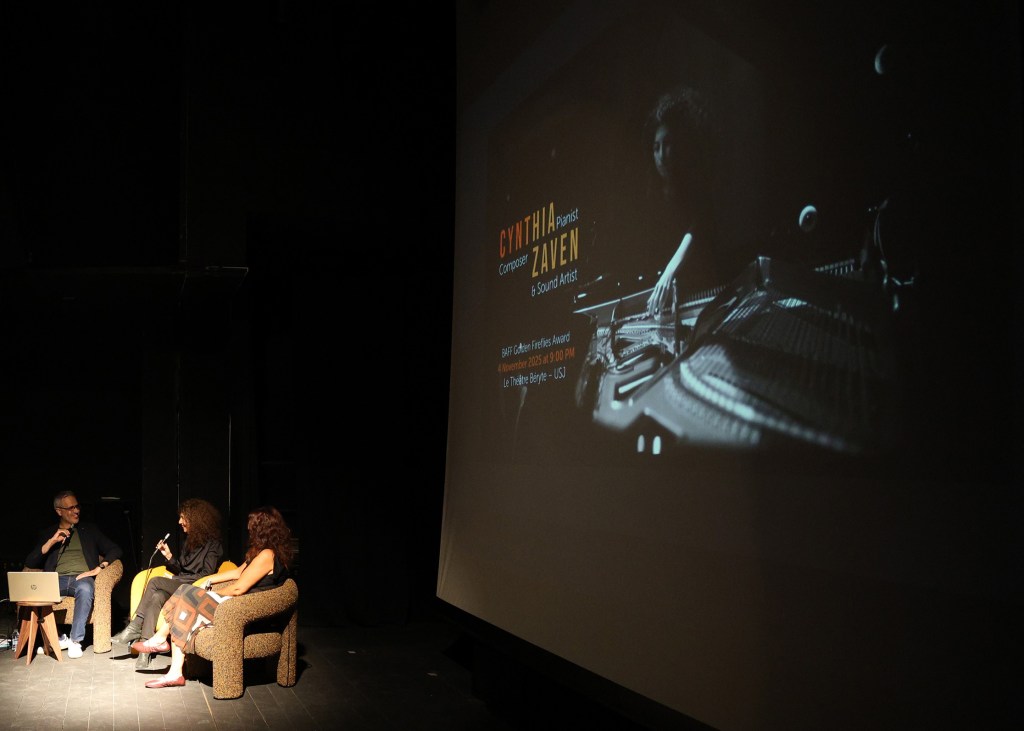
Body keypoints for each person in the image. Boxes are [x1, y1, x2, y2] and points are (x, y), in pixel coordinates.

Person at [132, 505, 294, 688]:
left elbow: (238, 588)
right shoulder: (260, 552)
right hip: (235, 603)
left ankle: (164, 647)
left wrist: (209, 594)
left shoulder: (267, 555)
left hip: (244, 610)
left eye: (252, 526)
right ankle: (171, 665)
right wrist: (209, 581)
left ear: (262, 529)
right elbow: (237, 573)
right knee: (185, 594)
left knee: (187, 596)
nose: (249, 529)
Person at [112, 497, 224, 669]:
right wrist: (169, 556)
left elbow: (205, 575)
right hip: (181, 585)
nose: (179, 522)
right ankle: (145, 650)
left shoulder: (213, 545)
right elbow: (182, 568)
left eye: (183, 517)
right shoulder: (190, 541)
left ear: (195, 519)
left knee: (155, 581)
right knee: (157, 596)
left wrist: (176, 580)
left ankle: (135, 626)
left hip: (193, 590)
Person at [24, 490, 123, 659]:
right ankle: (57, 637)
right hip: (56, 579)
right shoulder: (49, 533)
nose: (76, 511)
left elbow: (115, 549)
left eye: (77, 506)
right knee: (35, 591)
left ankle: (75, 641)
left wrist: (100, 567)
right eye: (71, 508)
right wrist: (52, 541)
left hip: (81, 578)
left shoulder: (89, 530)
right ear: (59, 511)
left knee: (85, 588)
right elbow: (31, 562)